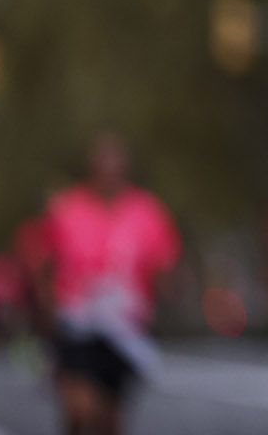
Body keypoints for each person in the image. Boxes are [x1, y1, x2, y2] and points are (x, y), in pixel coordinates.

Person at [28, 132, 180, 435]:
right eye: (102, 167)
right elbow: (45, 264)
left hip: (123, 331)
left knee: (110, 420)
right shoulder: (68, 209)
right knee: (81, 408)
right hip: (77, 325)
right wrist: (48, 309)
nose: (109, 175)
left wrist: (162, 294)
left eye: (116, 168)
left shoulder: (146, 211)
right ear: (92, 170)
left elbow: (163, 263)